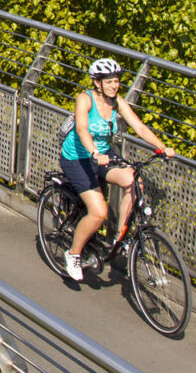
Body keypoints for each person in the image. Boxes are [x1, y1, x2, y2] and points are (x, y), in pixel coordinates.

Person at [60, 57, 175, 281]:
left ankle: (119, 238)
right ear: (97, 83)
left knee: (133, 180)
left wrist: (162, 147)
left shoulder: (117, 102)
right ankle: (73, 254)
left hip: (104, 155)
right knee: (99, 213)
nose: (114, 85)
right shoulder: (85, 99)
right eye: (109, 81)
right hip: (79, 157)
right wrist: (95, 153)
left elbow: (139, 126)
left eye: (116, 81)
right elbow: (82, 129)